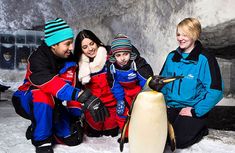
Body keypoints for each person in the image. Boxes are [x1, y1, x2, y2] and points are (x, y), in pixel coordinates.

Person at [12, 18, 109, 153]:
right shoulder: (37, 59)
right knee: (43, 95)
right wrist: (81, 95)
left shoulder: (70, 61)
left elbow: (75, 86)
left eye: (71, 43)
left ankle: (41, 126)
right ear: (53, 45)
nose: (71, 47)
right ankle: (42, 141)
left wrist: (76, 116)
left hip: (54, 104)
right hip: (27, 99)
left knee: (73, 137)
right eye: (67, 44)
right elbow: (50, 83)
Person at [159, 17, 224, 149]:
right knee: (159, 135)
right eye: (178, 34)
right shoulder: (172, 57)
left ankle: (201, 127)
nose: (180, 38)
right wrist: (161, 105)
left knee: (178, 140)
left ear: (194, 35)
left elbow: (216, 91)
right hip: (171, 107)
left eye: (185, 34)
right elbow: (162, 83)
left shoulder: (206, 59)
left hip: (191, 109)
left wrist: (195, 111)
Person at [108, 34, 153, 142]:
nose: (122, 58)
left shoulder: (136, 63)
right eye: (118, 55)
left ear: (130, 53)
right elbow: (114, 83)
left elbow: (144, 79)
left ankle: (144, 132)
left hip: (137, 91)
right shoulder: (112, 66)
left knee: (142, 111)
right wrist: (120, 99)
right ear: (114, 56)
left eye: (125, 54)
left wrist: (146, 94)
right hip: (123, 93)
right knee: (121, 113)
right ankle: (126, 134)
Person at [74, 29, 119, 137]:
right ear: (81, 50)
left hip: (112, 104)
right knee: (94, 132)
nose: (90, 49)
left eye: (91, 44)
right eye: (85, 47)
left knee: (111, 131)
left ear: (96, 42)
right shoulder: (79, 66)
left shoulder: (110, 58)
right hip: (93, 104)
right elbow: (76, 89)